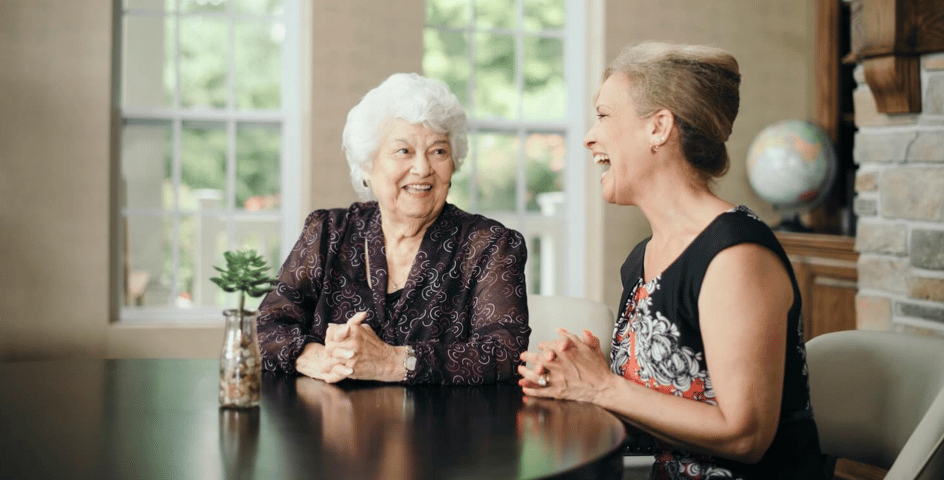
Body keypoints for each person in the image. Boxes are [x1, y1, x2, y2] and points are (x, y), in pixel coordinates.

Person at [518, 42, 826, 479]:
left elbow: (746, 436)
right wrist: (580, 379)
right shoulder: (643, 258)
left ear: (659, 128)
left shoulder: (735, 256)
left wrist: (604, 387)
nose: (590, 135)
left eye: (604, 115)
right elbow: (666, 407)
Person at [257, 73, 530, 385]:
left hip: (444, 430)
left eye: (438, 151)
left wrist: (394, 362)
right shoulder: (328, 232)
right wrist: (318, 358)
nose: (423, 168)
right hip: (331, 427)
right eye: (404, 151)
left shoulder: (489, 245)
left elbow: (505, 353)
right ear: (367, 166)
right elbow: (266, 325)